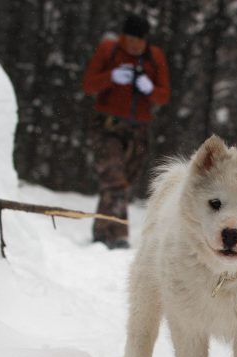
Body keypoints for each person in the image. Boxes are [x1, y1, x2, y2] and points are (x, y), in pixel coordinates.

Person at [82, 14, 170, 248]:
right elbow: (88, 85)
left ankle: (101, 230)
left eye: (139, 41)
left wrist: (149, 89)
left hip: (139, 129)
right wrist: (110, 77)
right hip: (107, 125)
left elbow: (164, 95)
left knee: (123, 182)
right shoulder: (109, 50)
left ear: (146, 40)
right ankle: (119, 235)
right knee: (114, 178)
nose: (134, 45)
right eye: (130, 39)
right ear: (123, 37)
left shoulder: (155, 57)